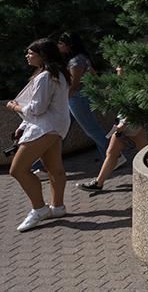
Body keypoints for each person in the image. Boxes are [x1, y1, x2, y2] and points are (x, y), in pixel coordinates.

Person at [6, 39, 71, 232]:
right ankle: (57, 207)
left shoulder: (44, 76)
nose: (27, 56)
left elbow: (37, 108)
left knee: (17, 169)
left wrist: (14, 106)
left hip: (45, 127)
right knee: (54, 168)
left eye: (30, 53)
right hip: (54, 126)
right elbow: (47, 106)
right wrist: (24, 124)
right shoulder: (57, 73)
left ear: (42, 55)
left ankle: (39, 209)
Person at [56, 32, 124, 169]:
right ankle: (46, 163)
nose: (58, 46)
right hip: (77, 98)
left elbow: (74, 86)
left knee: (92, 130)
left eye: (61, 43)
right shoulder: (81, 58)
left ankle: (114, 157)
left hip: (77, 98)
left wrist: (61, 100)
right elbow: (94, 76)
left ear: (69, 45)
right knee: (61, 131)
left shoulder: (76, 61)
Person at [77, 67, 148, 192]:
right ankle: (98, 183)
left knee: (146, 153)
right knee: (111, 153)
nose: (117, 69)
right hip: (123, 122)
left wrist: (125, 123)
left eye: (120, 67)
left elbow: (135, 106)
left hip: (131, 122)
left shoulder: (135, 84)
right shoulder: (121, 83)